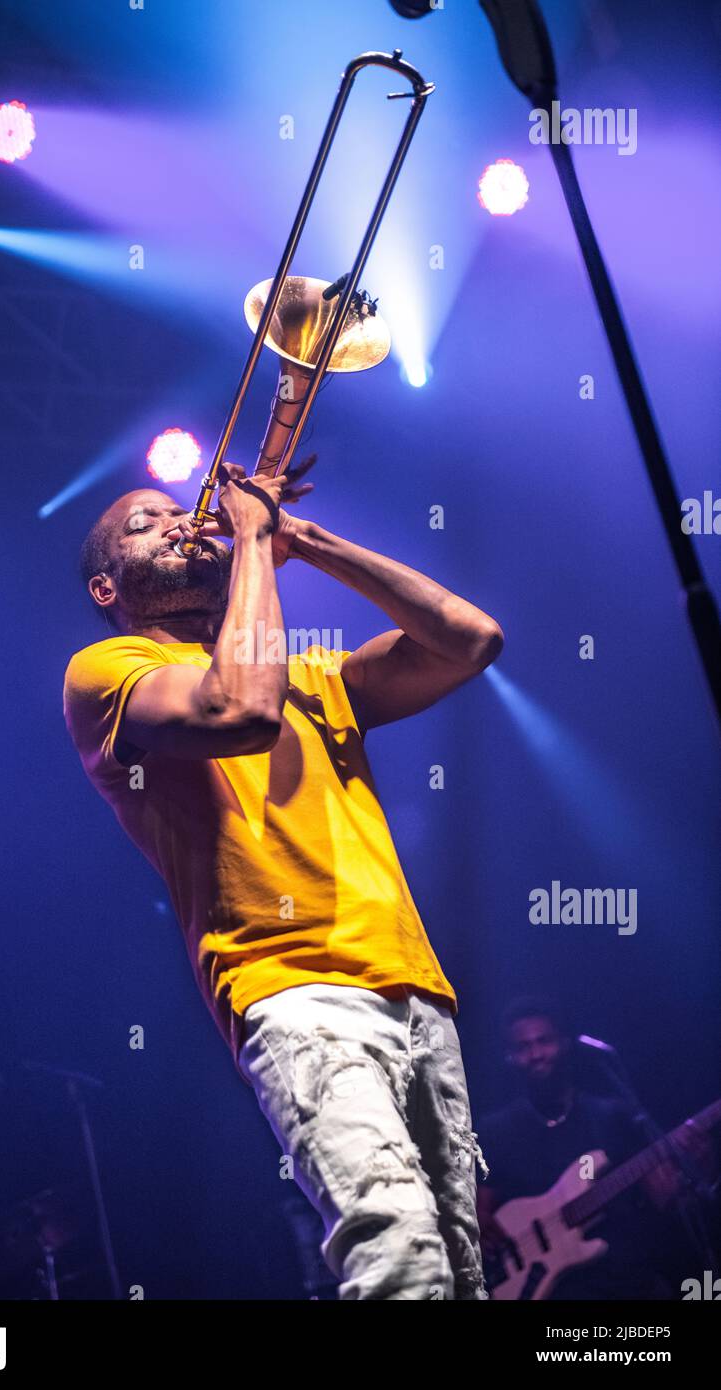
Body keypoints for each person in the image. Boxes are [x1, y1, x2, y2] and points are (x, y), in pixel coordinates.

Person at [62, 458, 504, 1300]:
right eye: (144, 524)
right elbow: (240, 713)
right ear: (106, 587)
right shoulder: (105, 670)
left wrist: (306, 541)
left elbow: (471, 638)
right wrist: (255, 543)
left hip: (417, 991)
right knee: (400, 1260)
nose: (178, 522)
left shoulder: (315, 676)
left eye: (178, 511)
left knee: (460, 1279)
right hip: (293, 990)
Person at [476, 997, 716, 1300]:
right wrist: (478, 1223)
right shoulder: (496, 1130)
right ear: (509, 1057)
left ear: (564, 1044)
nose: (535, 1054)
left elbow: (662, 1198)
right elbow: (480, 1211)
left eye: (544, 1041)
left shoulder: (611, 1116)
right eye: (523, 1047)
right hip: (546, 1290)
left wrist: (695, 1165)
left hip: (623, 1281)